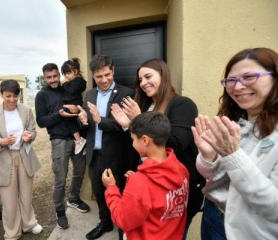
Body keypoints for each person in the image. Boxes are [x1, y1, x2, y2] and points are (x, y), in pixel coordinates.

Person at [110, 58, 206, 235]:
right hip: (146, 187)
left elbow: (177, 143)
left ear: (163, 75)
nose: (144, 83)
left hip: (172, 191)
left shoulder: (182, 104)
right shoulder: (145, 105)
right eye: (140, 80)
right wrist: (128, 126)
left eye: (148, 76)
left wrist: (138, 119)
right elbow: (139, 144)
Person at [192, 47, 278, 240]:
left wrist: (233, 156)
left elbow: (273, 208)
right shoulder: (235, 120)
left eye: (249, 77)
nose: (238, 87)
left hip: (248, 230)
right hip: (213, 214)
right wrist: (208, 156)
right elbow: (212, 176)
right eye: (231, 80)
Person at [102, 112, 189, 240]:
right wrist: (137, 185)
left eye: (133, 139)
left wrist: (111, 188)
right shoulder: (181, 169)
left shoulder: (141, 182)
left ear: (144, 140)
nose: (132, 144)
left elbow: (123, 219)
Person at [77, 55, 135, 240]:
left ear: (113, 71)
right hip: (94, 154)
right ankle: (105, 221)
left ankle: (123, 228)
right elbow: (87, 127)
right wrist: (84, 122)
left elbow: (124, 126)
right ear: (93, 76)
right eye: (99, 76)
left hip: (117, 156)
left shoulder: (127, 93)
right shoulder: (90, 94)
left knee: (120, 192)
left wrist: (100, 120)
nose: (103, 80)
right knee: (99, 192)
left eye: (107, 75)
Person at [0, 79, 42, 240]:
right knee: (9, 199)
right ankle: (12, 232)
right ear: (2, 94)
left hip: (24, 156)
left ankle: (29, 223)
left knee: (26, 194)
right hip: (4, 158)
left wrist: (29, 136)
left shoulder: (26, 110)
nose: (12, 100)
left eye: (15, 96)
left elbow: (32, 130)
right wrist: (2, 141)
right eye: (8, 96)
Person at [35, 63, 90, 230]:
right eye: (48, 77)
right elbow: (41, 121)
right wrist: (58, 115)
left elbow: (79, 103)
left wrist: (77, 109)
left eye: (55, 76)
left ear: (59, 75)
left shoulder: (67, 88)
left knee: (79, 172)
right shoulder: (42, 95)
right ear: (44, 78)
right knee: (60, 178)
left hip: (78, 139)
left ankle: (73, 199)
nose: (53, 80)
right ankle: (60, 210)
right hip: (59, 140)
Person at [61, 58, 87, 154]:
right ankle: (82, 143)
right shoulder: (73, 81)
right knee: (74, 123)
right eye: (65, 74)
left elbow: (71, 91)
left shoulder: (79, 81)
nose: (66, 76)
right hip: (70, 104)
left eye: (68, 73)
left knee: (70, 121)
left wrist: (64, 83)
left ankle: (79, 141)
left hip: (75, 104)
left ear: (75, 71)